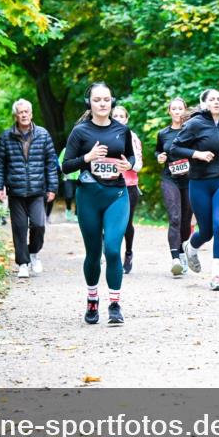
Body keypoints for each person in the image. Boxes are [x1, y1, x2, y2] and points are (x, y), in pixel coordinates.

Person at [61, 82, 135, 325]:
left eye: (106, 99)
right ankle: (92, 300)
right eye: (97, 100)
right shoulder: (80, 132)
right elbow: (66, 165)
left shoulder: (121, 130)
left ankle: (115, 304)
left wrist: (129, 165)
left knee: (113, 249)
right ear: (89, 103)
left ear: (112, 101)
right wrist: (88, 158)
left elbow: (130, 155)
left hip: (116, 195)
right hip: (89, 197)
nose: (102, 104)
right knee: (93, 253)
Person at [169, 88, 219, 291]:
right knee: (207, 231)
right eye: (212, 99)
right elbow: (174, 149)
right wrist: (197, 154)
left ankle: (217, 276)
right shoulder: (194, 124)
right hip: (199, 183)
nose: (216, 102)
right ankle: (190, 248)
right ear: (204, 103)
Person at [0, 99, 58, 278]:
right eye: (20, 112)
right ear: (15, 115)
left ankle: (33, 253)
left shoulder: (43, 135)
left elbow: (51, 164)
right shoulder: (6, 137)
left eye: (26, 111)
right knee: (20, 227)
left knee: (38, 225)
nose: (23, 115)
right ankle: (22, 263)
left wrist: (52, 187)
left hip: (38, 190)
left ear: (31, 114)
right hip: (16, 191)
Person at [155, 97, 193, 277]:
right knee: (175, 217)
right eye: (174, 109)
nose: (177, 112)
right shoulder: (163, 133)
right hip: (169, 179)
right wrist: (159, 156)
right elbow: (158, 150)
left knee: (186, 221)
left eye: (180, 109)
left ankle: (183, 253)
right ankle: (175, 258)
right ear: (169, 112)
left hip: (190, 180)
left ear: (185, 111)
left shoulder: (192, 132)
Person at [110, 103, 143, 274]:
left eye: (121, 116)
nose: (118, 119)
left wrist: (127, 165)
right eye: (115, 116)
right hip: (107, 184)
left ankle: (128, 253)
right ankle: (111, 255)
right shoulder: (104, 134)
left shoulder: (132, 137)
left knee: (126, 223)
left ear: (127, 119)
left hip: (128, 185)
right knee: (108, 222)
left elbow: (138, 165)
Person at [57, 146, 79, 222]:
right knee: (68, 196)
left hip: (79, 177)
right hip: (68, 177)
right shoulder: (65, 150)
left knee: (78, 197)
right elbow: (59, 161)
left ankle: (77, 214)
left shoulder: (83, 148)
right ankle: (68, 209)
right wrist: (62, 169)